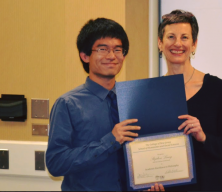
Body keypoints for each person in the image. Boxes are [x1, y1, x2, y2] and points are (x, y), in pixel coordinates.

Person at [46, 18, 164, 191]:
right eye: (103, 49)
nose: (111, 56)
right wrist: (110, 141)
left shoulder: (135, 100)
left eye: (118, 49)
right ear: (84, 55)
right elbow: (56, 164)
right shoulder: (68, 104)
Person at [158, 10, 222, 191]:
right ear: (160, 43)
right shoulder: (150, 95)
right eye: (171, 36)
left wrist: (203, 137)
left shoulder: (218, 89)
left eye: (184, 38)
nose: (177, 43)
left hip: (211, 185)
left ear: (194, 44)